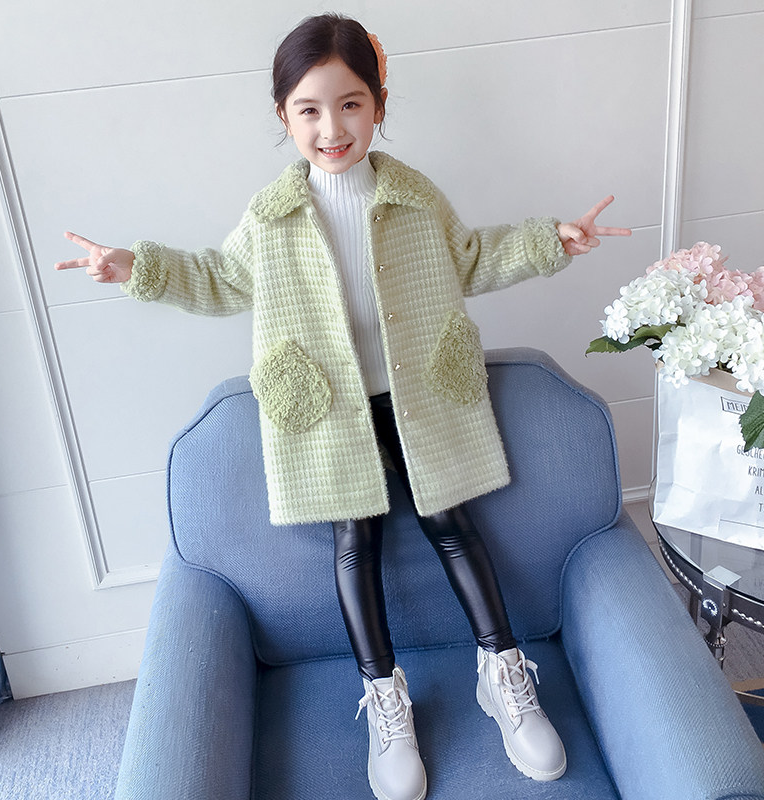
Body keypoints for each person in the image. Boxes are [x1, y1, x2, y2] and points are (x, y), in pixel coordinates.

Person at [55, 13, 631, 800]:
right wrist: (135, 267)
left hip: (420, 395)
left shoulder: (413, 197)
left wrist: (550, 241)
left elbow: (470, 259)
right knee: (353, 543)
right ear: (284, 116)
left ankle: (502, 673)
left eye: (351, 104)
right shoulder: (272, 217)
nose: (333, 128)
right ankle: (384, 697)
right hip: (327, 412)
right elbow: (220, 278)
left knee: (452, 523)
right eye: (311, 109)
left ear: (379, 104)